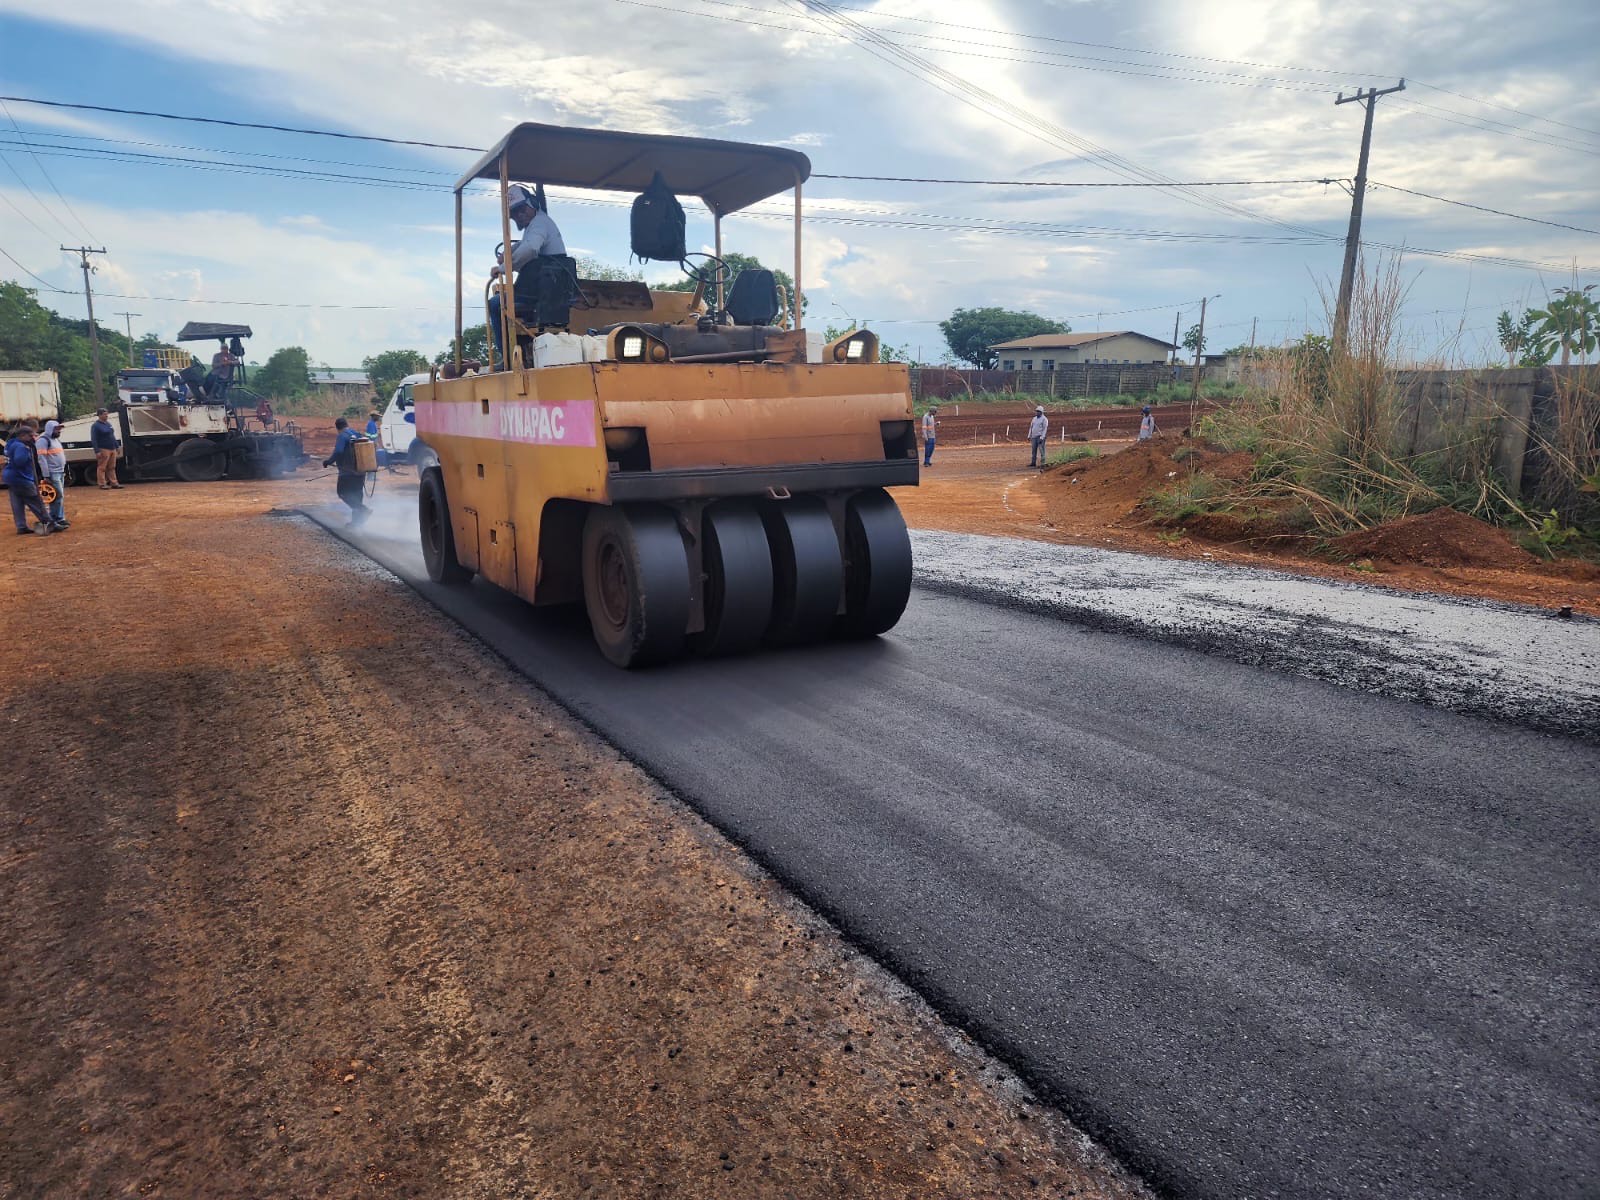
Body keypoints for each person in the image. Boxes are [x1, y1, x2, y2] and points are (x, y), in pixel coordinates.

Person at [487, 184, 567, 361]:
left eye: (521, 209)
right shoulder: (539, 223)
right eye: (514, 213)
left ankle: (508, 358)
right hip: (546, 289)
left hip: (541, 292)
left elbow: (530, 248)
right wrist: (510, 251)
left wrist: (503, 268)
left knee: (495, 303)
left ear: (532, 203)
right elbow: (525, 243)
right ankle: (524, 350)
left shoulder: (539, 224)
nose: (519, 215)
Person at [4, 425, 55, 536]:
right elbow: (20, 461)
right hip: (22, 478)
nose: (33, 438)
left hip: (10, 477)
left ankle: (21, 526)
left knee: (17, 502)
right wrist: (28, 454)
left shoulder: (10, 443)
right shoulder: (21, 447)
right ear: (22, 436)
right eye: (30, 436)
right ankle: (48, 522)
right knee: (35, 500)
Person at [324, 417, 369, 524]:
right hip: (361, 471)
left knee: (342, 493)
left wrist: (328, 462)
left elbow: (339, 451)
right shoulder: (356, 434)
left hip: (347, 473)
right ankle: (356, 523)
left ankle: (363, 509)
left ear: (337, 428)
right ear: (346, 424)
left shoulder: (342, 435)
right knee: (357, 495)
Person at [35, 419, 69, 528]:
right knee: (57, 496)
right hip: (52, 473)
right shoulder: (43, 440)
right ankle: (56, 519)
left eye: (59, 429)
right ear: (51, 429)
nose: (59, 431)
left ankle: (59, 517)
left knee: (59, 496)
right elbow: (42, 459)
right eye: (57, 429)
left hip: (59, 471)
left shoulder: (55, 440)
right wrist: (46, 475)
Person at [90, 408, 123, 488]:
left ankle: (114, 483)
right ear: (100, 415)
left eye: (107, 414)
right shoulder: (96, 426)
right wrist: (97, 451)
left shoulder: (108, 424)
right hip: (103, 448)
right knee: (102, 467)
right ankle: (102, 484)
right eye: (105, 414)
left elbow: (112, 436)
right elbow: (94, 439)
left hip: (112, 448)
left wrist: (117, 446)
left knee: (112, 467)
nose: (107, 415)